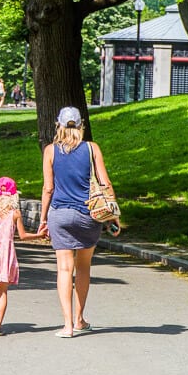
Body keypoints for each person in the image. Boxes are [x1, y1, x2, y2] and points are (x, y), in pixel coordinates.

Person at [38, 106, 120, 338]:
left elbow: (48, 188)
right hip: (87, 215)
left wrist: (43, 219)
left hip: (60, 215)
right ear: (81, 125)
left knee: (64, 268)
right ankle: (79, 318)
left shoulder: (50, 151)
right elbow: (105, 184)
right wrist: (113, 217)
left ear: (59, 125)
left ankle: (67, 326)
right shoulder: (92, 149)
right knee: (83, 266)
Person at [0, 177, 45, 336]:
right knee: (3, 291)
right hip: (7, 255)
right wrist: (38, 235)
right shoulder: (15, 213)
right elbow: (22, 236)